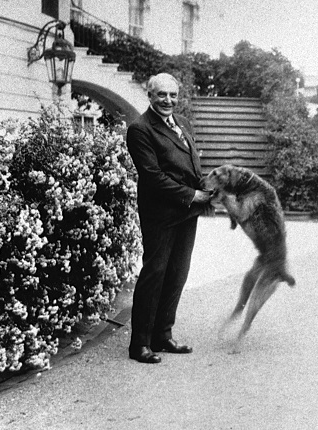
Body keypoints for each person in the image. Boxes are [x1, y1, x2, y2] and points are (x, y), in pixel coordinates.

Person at [125, 73, 213, 364]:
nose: (168, 101)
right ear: (150, 96)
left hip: (187, 212)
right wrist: (192, 195)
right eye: (161, 95)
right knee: (154, 275)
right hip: (160, 214)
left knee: (177, 275)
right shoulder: (140, 129)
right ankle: (139, 345)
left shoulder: (183, 124)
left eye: (173, 95)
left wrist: (207, 190)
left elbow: (192, 165)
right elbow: (152, 177)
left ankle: (163, 336)